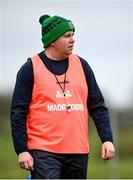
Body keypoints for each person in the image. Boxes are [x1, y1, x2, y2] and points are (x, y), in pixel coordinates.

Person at [10, 14, 115, 179]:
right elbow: (18, 113)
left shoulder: (82, 65)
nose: (73, 39)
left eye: (73, 35)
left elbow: (98, 106)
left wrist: (107, 139)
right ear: (52, 40)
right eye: (67, 36)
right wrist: (22, 150)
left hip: (78, 151)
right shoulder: (30, 68)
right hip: (43, 151)